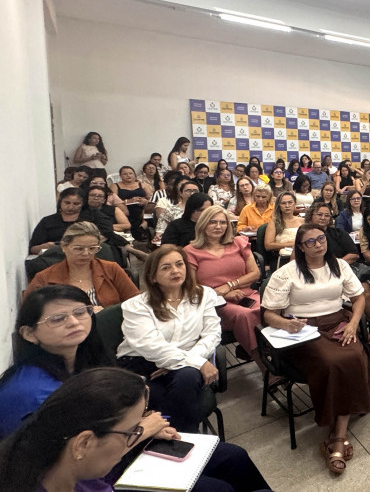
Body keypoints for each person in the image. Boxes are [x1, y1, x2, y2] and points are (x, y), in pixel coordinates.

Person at [0, 362, 270, 492]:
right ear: (83, 443)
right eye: (132, 430)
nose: (74, 322)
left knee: (233, 458)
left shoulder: (66, 469)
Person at [262, 224, 370, 475]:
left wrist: (353, 324)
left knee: (355, 354)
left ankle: (337, 434)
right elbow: (269, 314)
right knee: (331, 361)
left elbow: (358, 298)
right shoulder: (287, 273)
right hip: (303, 329)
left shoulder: (339, 265)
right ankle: (338, 436)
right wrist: (286, 324)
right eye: (310, 242)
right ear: (301, 247)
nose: (318, 244)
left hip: (338, 322)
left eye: (321, 239)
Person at [117, 247, 222, 432]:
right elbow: (151, 347)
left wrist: (186, 361)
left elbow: (212, 334)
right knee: (175, 390)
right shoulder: (136, 306)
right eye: (166, 267)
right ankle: (184, 438)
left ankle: (171, 438)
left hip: (188, 360)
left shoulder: (203, 295)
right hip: (143, 363)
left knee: (188, 376)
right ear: (152, 277)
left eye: (179, 264)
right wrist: (196, 363)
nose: (175, 271)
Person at [185, 206, 262, 363]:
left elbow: (255, 273)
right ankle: (264, 365)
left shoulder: (238, 243)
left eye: (223, 222)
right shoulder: (191, 251)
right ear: (203, 224)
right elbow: (192, 287)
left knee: (268, 310)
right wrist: (222, 293)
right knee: (245, 316)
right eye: (212, 222)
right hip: (215, 302)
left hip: (245, 294)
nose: (218, 226)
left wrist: (230, 285)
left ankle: (255, 348)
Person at [306, 202, 370, 332]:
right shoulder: (304, 237)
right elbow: (296, 261)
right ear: (311, 216)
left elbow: (354, 254)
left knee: (364, 293)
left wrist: (335, 266)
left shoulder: (338, 233)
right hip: (317, 277)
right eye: (319, 214)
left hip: (346, 271)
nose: (323, 218)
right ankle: (362, 335)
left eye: (327, 215)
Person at [25, 221, 139, 309]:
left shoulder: (111, 269)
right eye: (79, 248)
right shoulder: (44, 278)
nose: (86, 254)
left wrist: (106, 313)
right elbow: (30, 315)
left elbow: (136, 303)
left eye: (92, 248)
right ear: (64, 247)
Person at [29, 188, 115, 255]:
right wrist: (46, 246)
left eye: (76, 204)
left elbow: (105, 236)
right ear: (60, 202)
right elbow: (33, 248)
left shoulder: (93, 217)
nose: (71, 207)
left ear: (83, 204)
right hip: (57, 256)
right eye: (67, 203)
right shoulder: (48, 221)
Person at [110, 166, 153, 240]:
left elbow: (151, 198)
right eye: (125, 174)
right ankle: (139, 230)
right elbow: (112, 200)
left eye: (130, 173)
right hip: (124, 210)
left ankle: (142, 229)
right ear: (120, 176)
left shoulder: (142, 185)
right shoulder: (115, 186)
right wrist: (128, 201)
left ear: (134, 175)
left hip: (142, 208)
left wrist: (145, 201)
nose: (128, 175)